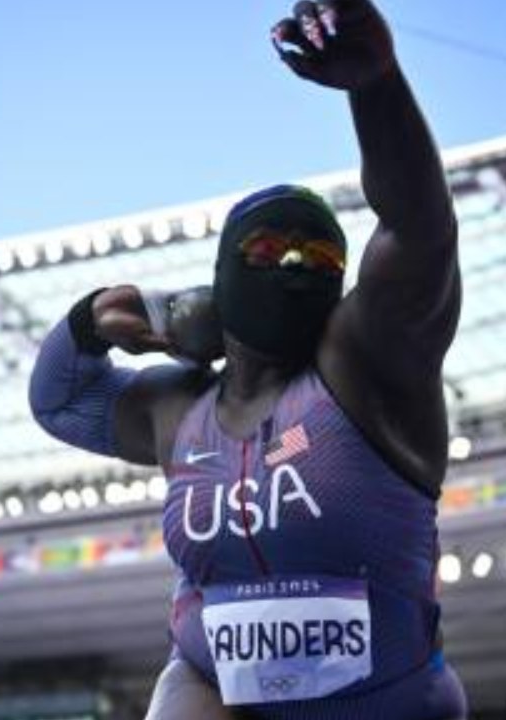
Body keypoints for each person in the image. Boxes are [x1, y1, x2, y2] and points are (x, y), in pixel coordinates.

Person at [28, 0, 466, 717]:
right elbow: (61, 402)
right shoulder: (179, 410)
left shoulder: (365, 366)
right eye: (268, 251)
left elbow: (419, 231)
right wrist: (92, 319)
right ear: (224, 279)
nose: (295, 264)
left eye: (318, 254)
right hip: (216, 690)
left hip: (390, 703)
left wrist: (378, 85)